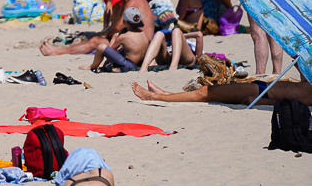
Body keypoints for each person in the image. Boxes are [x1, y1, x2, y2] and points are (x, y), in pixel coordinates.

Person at [41, 0, 153, 56]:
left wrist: (107, 34)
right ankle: (58, 51)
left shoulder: (133, 2)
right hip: (141, 41)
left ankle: (56, 52)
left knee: (96, 42)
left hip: (141, 45)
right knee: (97, 40)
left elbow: (118, 26)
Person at [132, 78, 312, 107]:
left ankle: (155, 96)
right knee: (210, 91)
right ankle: (166, 94)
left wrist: (263, 102)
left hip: (262, 93)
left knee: (205, 92)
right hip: (263, 87)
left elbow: (302, 102)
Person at [79, 7, 149, 72]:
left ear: (124, 21)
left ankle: (92, 66)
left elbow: (109, 52)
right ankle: (104, 65)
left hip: (128, 65)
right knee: (123, 49)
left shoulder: (124, 36)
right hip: (141, 64)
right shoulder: (144, 33)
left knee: (101, 47)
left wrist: (114, 38)